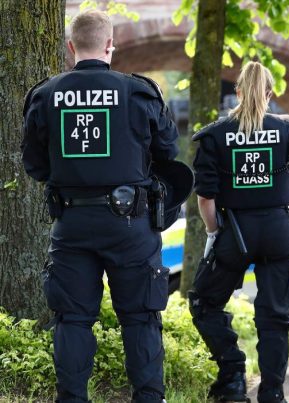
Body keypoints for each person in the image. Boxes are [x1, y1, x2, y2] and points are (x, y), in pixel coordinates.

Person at [20, 10, 181, 402]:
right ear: (110, 45)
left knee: (72, 319)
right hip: (131, 225)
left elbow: (35, 165)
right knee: (140, 317)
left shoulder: (45, 95)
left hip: (72, 222)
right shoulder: (139, 92)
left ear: (71, 46)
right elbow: (169, 151)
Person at [189, 60, 289, 403]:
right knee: (275, 317)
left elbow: (205, 198)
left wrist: (214, 233)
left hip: (235, 233)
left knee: (204, 303)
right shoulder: (284, 129)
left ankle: (233, 376)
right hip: (280, 233)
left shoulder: (215, 135)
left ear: (237, 91)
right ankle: (272, 393)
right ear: (269, 93)